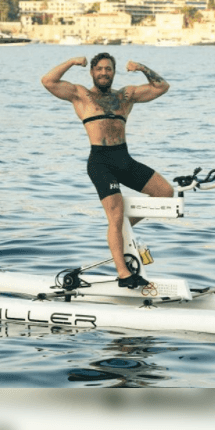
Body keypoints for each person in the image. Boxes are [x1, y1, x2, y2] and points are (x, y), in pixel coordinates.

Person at [41, 53, 174, 288]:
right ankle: (124, 274)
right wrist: (72, 62)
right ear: (92, 72)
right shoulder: (81, 95)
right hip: (100, 162)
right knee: (114, 214)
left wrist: (141, 66)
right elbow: (48, 81)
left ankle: (121, 228)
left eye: (109, 69)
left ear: (114, 72)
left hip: (124, 159)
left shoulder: (125, 96)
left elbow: (162, 87)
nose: (104, 73)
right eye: (99, 69)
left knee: (165, 193)